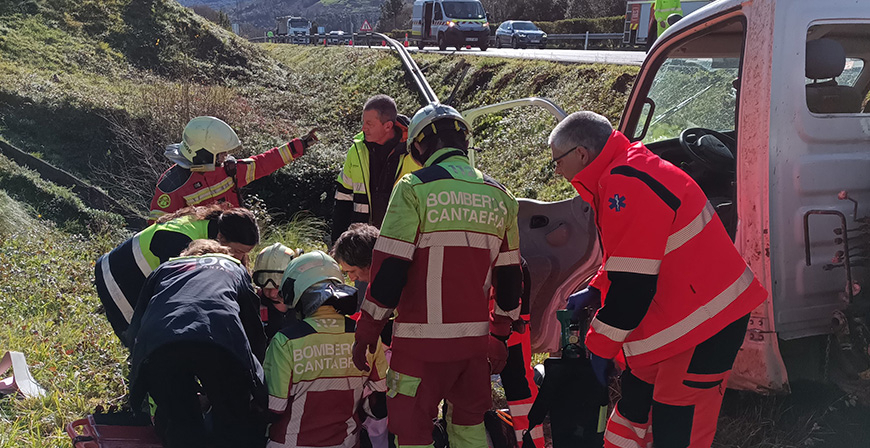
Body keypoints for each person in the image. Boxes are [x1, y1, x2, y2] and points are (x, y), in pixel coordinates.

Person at [549, 111, 768, 448]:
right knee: (633, 413)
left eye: (557, 162)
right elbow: (631, 258)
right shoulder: (625, 173)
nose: (557, 172)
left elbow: (633, 288)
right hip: (685, 321)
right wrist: (596, 289)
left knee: (677, 430)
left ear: (581, 154)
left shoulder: (625, 183)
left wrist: (598, 349)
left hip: (705, 326)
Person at [353, 103, 523, 448]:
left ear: (418, 146)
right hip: (474, 348)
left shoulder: (413, 188)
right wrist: (501, 333)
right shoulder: (501, 196)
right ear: (463, 143)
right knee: (470, 428)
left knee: (413, 433)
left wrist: (367, 329)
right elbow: (510, 276)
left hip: (420, 348)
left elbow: (390, 270)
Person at [126, 239, 268, 448]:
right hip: (219, 336)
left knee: (181, 423)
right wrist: (253, 377)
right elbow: (252, 326)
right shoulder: (233, 267)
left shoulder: (165, 267)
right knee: (232, 419)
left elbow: (136, 327)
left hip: (160, 341)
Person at [264, 251, 388, 448]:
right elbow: (378, 406)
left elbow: (274, 408)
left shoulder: (285, 342)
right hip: (346, 442)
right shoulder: (366, 338)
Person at [95, 204, 259, 343]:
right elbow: (180, 297)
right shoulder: (181, 241)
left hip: (142, 276)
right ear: (220, 237)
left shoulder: (214, 228)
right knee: (146, 343)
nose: (239, 257)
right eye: (237, 251)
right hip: (117, 277)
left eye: (245, 253)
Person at [148, 116, 318, 223]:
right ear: (204, 153)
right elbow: (157, 230)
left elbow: (262, 164)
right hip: (196, 258)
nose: (226, 156)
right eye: (221, 153)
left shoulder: (228, 169)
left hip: (233, 248)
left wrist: (299, 146)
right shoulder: (173, 184)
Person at [331, 223, 392, 448]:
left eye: (352, 272)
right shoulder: (384, 276)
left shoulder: (389, 283)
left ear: (368, 263)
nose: (352, 278)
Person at [331, 95, 421, 244]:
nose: (363, 128)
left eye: (369, 123)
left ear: (388, 126)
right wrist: (336, 245)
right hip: (362, 245)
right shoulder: (356, 150)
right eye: (363, 122)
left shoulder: (415, 153)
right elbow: (343, 200)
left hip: (403, 243)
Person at [252, 242, 302, 340]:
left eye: (278, 286)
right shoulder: (254, 306)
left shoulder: (305, 305)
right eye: (266, 287)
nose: (272, 293)